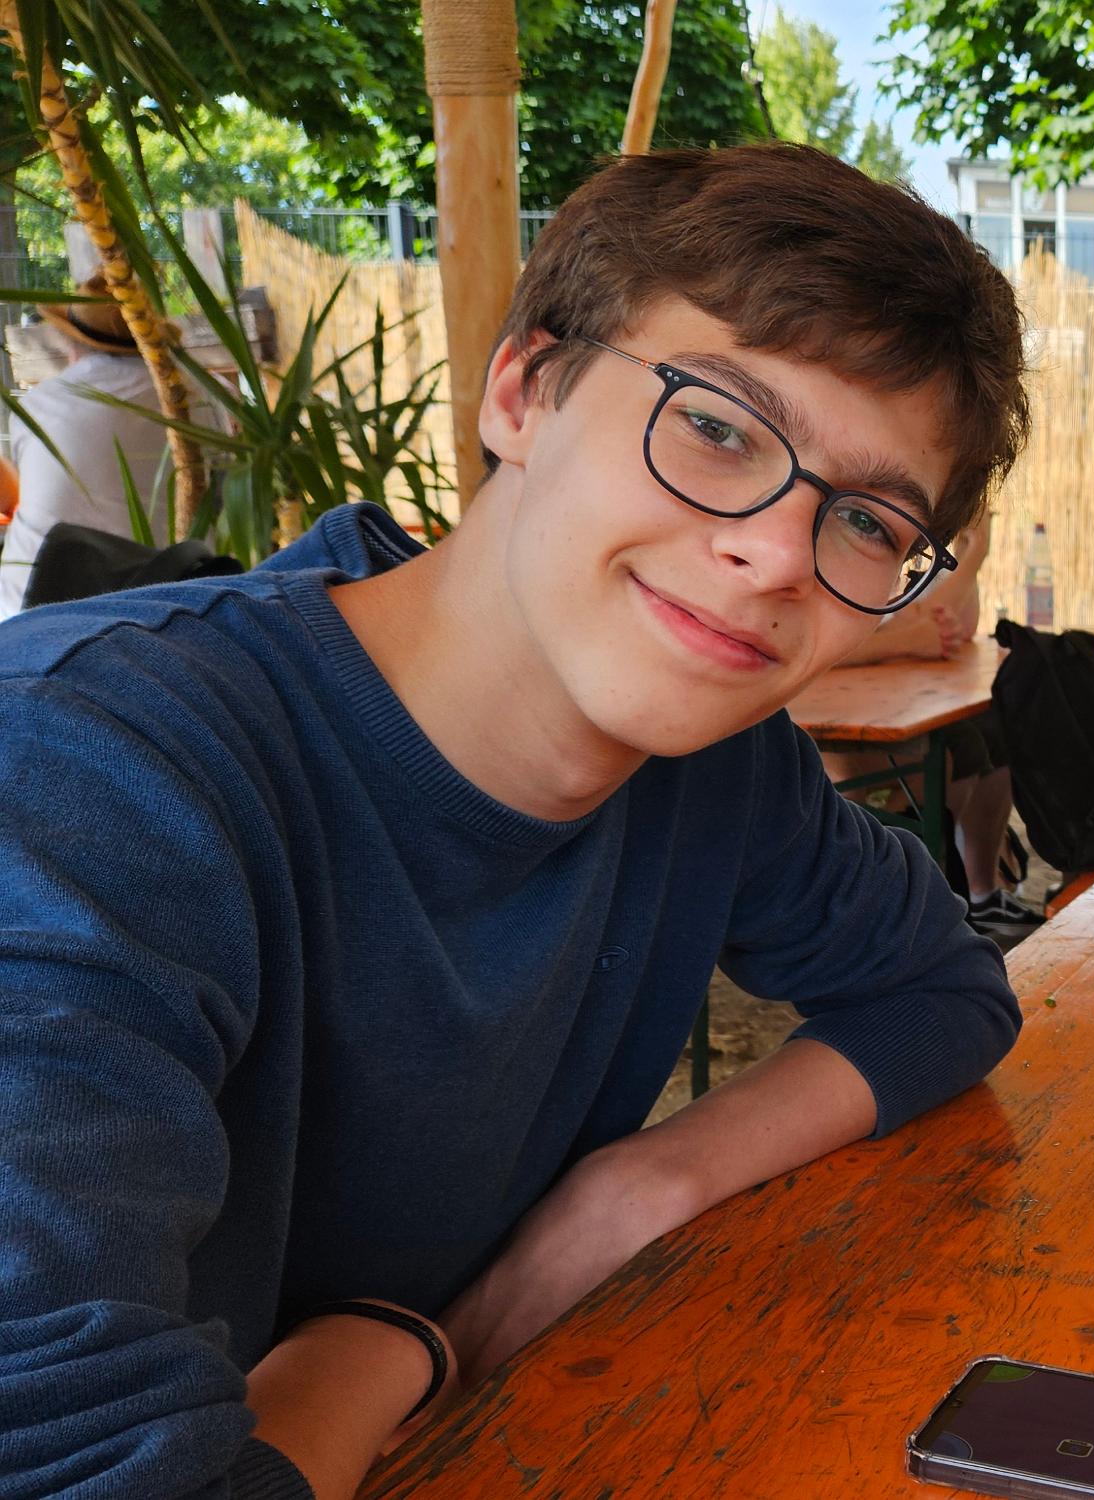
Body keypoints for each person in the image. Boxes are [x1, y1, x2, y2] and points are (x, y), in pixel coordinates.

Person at [0, 144, 1030, 1499]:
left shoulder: (714, 769)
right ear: (524, 390)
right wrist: (381, 1356)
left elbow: (943, 991)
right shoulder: (87, 773)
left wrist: (636, 1190)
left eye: (869, 522)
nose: (776, 555)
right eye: (718, 427)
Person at [822, 513, 1047, 935]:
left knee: (986, 737)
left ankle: (972, 892)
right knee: (945, 755)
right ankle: (919, 896)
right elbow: (820, 647)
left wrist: (966, 559)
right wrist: (973, 557)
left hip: (870, 701)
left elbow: (948, 623)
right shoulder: (831, 549)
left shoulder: (903, 560)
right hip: (818, 719)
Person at [0, 272, 184, 617]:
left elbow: (13, 497)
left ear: (72, 341)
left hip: (24, 611)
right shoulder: (201, 397)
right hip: (164, 605)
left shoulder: (39, 404)